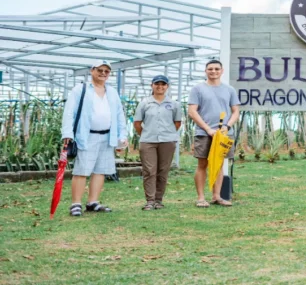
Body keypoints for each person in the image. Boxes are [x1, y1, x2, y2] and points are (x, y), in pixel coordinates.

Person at [61, 60, 128, 216]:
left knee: (101, 170)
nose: (103, 73)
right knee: (82, 170)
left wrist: (122, 136)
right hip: (86, 135)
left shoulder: (112, 92)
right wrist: (67, 133)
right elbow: (69, 112)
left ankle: (93, 202)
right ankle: (76, 204)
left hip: (107, 136)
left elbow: (119, 115)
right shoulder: (81, 89)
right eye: (100, 70)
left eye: (106, 71)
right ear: (92, 70)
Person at [188, 59, 240, 208]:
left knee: (218, 165)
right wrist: (208, 129)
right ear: (206, 71)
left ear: (221, 71)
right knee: (202, 164)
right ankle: (201, 197)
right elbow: (192, 111)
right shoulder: (198, 89)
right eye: (210, 69)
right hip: (204, 133)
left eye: (217, 69)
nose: (213, 71)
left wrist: (227, 126)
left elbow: (236, 111)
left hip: (223, 134)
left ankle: (217, 196)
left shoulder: (229, 90)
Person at [133, 75, 182, 211]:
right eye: (157, 84)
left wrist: (168, 133)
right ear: (152, 85)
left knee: (163, 170)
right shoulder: (144, 103)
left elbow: (177, 123)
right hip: (148, 141)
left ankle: (159, 200)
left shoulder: (174, 104)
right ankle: (150, 200)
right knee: (149, 170)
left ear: (167, 86)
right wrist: (146, 134)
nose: (160, 87)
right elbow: (137, 123)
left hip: (167, 141)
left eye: (163, 84)